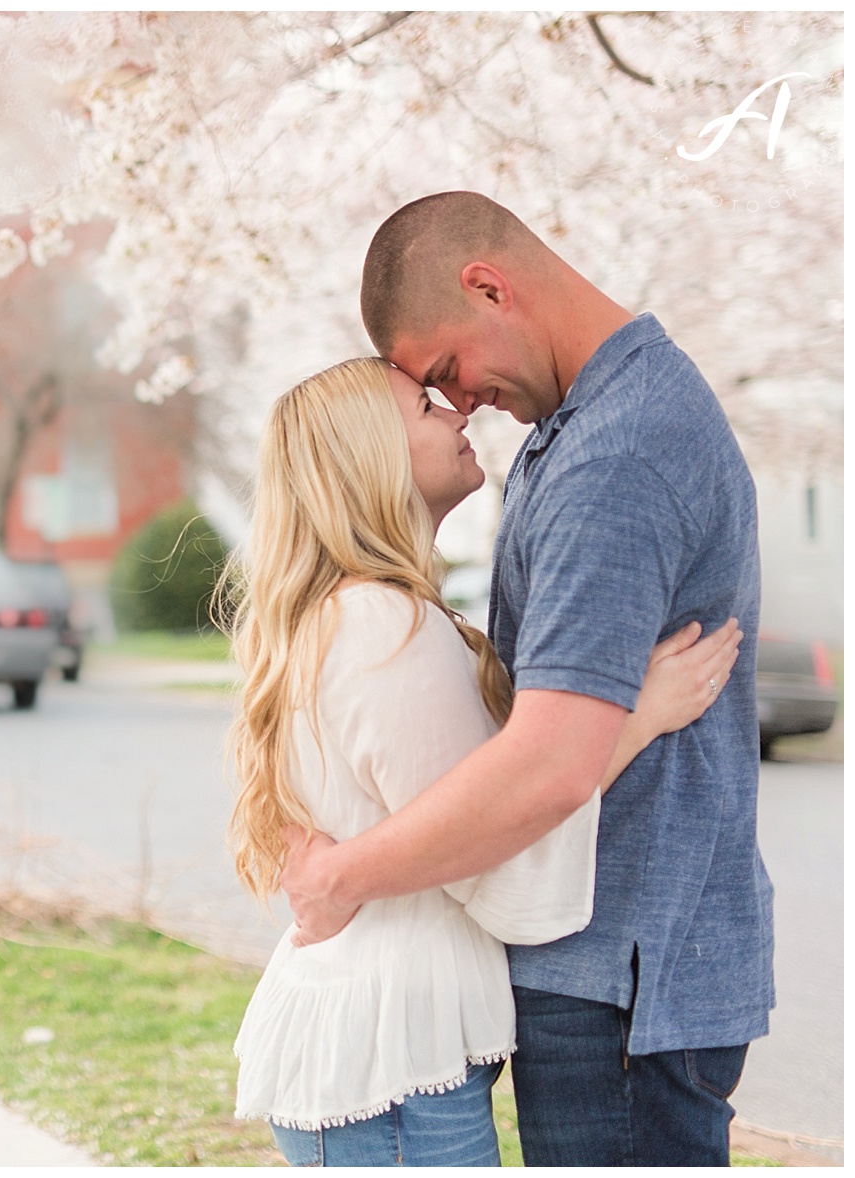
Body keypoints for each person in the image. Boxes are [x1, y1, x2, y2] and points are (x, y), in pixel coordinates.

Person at [277, 191, 771, 1166]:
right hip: (599, 977)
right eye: (431, 396)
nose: (460, 402)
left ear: (489, 286)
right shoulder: (579, 430)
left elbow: (546, 766)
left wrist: (339, 873)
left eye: (444, 373)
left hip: (621, 975)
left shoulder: (613, 452)